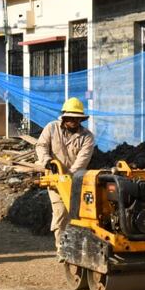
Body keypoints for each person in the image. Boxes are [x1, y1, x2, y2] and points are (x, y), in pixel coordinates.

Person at [35, 97, 95, 252]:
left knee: (80, 214)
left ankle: (80, 248)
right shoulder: (52, 128)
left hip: (76, 180)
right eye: (70, 118)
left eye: (77, 118)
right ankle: (62, 249)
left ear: (81, 119)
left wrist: (69, 176)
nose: (74, 121)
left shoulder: (87, 137)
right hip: (55, 180)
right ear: (64, 117)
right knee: (61, 212)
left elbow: (82, 160)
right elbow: (41, 146)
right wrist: (47, 161)